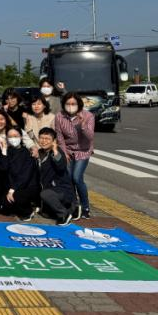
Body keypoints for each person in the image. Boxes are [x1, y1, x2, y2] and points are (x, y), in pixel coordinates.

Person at [55, 92, 95, 220]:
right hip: (68, 150)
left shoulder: (88, 116)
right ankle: (74, 205)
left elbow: (90, 137)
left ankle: (86, 207)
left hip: (83, 150)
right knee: (69, 179)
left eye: (73, 103)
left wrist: (83, 126)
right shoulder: (59, 116)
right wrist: (64, 152)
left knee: (77, 178)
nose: (71, 106)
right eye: (68, 103)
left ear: (79, 104)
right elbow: (59, 136)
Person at [0, 127, 40, 222]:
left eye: (15, 136)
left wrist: (12, 190)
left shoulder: (27, 153)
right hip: (12, 186)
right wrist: (4, 150)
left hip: (26, 186)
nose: (13, 139)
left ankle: (28, 211)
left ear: (21, 137)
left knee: (16, 197)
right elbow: (3, 168)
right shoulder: (7, 151)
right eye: (10, 136)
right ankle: (16, 207)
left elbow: (25, 176)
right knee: (2, 208)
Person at [36, 127, 77, 226]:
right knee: (46, 214)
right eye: (41, 138)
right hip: (50, 189)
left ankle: (64, 214)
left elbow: (61, 166)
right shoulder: (40, 152)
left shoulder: (57, 152)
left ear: (54, 141)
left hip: (62, 190)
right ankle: (73, 209)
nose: (43, 141)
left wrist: (55, 150)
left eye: (47, 139)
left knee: (46, 194)